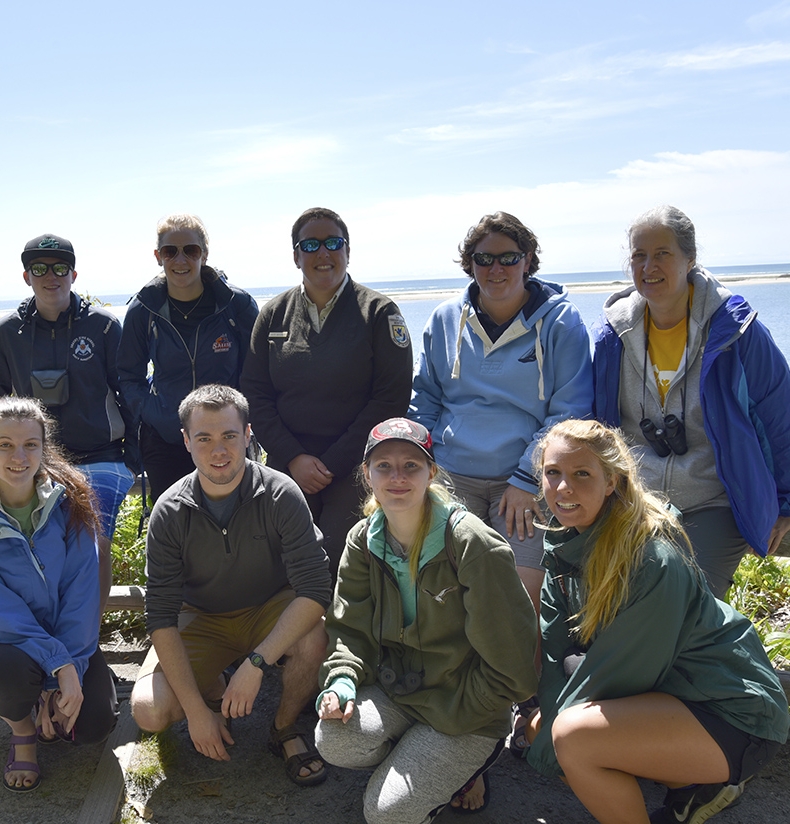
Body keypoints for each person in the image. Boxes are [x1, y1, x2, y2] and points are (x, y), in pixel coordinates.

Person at [525, 419, 789, 824]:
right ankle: (689, 789)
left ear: (611, 482)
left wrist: (551, 742)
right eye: (553, 473)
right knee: (546, 725)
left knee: (570, 738)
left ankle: (704, 780)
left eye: (582, 474)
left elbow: (622, 672)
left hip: (731, 713)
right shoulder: (566, 542)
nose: (563, 488)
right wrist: (547, 723)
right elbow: (556, 644)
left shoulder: (650, 557)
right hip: (667, 694)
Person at [407, 211, 592, 753]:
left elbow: (569, 410)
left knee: (520, 601)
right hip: (456, 477)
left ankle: (525, 703)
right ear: (470, 265)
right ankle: (462, 703)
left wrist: (525, 479)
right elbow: (427, 398)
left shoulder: (560, 323)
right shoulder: (445, 319)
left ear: (528, 260)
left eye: (508, 257)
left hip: (526, 486)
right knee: (452, 596)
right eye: (484, 258)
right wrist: (427, 463)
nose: (496, 268)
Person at [315, 418, 538, 823]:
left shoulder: (471, 543)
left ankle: (463, 767)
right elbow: (350, 629)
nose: (397, 478)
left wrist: (466, 710)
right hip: (399, 691)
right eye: (383, 466)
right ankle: (430, 760)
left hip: (464, 706)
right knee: (333, 739)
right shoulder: (363, 539)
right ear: (367, 475)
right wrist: (343, 680)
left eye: (411, 466)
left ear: (431, 472)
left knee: (385, 815)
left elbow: (514, 664)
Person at [592, 205, 790, 599]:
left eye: (663, 253)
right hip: (634, 502)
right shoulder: (612, 338)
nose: (649, 266)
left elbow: (778, 417)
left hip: (713, 501)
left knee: (691, 602)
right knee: (618, 601)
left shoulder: (738, 333)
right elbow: (590, 422)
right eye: (639, 255)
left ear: (690, 259)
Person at [129, 385, 333, 787]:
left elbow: (314, 590)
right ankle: (209, 692)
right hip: (201, 617)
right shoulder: (169, 512)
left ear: (248, 435)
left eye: (229, 436)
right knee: (148, 712)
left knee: (314, 637)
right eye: (204, 438)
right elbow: (161, 615)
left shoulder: (281, 492)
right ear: (186, 441)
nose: (218, 450)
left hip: (270, 608)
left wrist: (256, 664)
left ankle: (284, 728)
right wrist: (196, 713)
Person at [0, 396, 118, 792]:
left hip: (64, 637)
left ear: (43, 447)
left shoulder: (72, 502)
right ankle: (22, 731)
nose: (18, 456)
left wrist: (67, 666)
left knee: (94, 726)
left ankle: (45, 700)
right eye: (5, 444)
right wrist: (60, 668)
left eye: (30, 445)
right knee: (9, 673)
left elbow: (82, 595)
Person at [242, 207, 413, 573]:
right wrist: (293, 458)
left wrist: (332, 464)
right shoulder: (273, 314)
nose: (323, 253)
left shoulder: (379, 313)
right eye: (311, 244)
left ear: (348, 251)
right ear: (295, 255)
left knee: (343, 559)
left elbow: (391, 397)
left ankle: (340, 631)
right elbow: (255, 394)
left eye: (334, 243)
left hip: (355, 465)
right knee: (281, 560)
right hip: (289, 464)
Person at [0, 232, 135, 611]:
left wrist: (136, 454)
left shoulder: (104, 326)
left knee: (91, 545)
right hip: (34, 460)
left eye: (61, 268)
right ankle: (45, 646)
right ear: (26, 276)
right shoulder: (6, 333)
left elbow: (130, 392)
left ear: (74, 274)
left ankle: (86, 648)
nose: (52, 277)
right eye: (40, 268)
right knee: (43, 550)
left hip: (103, 455)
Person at [117, 214, 259, 503]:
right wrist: (157, 413)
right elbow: (128, 376)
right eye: (170, 251)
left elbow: (257, 372)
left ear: (204, 254)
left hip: (226, 439)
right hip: (167, 437)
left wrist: (240, 420)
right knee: (173, 529)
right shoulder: (143, 309)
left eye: (190, 250)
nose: (180, 260)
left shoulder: (236, 305)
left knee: (235, 524)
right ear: (158, 256)